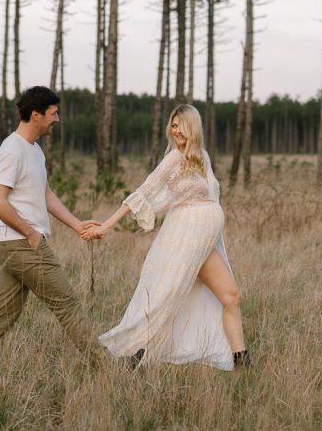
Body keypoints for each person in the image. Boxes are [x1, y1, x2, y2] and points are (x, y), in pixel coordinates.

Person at [85, 104, 250, 370]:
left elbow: (211, 199)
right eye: (172, 126)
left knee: (231, 297)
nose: (175, 131)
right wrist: (106, 226)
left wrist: (214, 238)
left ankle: (242, 363)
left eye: (180, 125)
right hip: (184, 239)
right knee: (166, 298)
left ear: (193, 127)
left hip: (204, 243)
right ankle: (133, 355)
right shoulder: (174, 159)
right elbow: (143, 192)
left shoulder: (202, 158)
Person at [0, 86, 100, 361]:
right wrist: (30, 233)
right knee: (67, 303)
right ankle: (108, 367)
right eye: (53, 113)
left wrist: (76, 224)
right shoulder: (12, 150)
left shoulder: (34, 150)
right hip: (20, 243)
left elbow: (45, 194)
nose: (57, 119)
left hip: (14, 244)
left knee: (0, 318)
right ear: (36, 115)